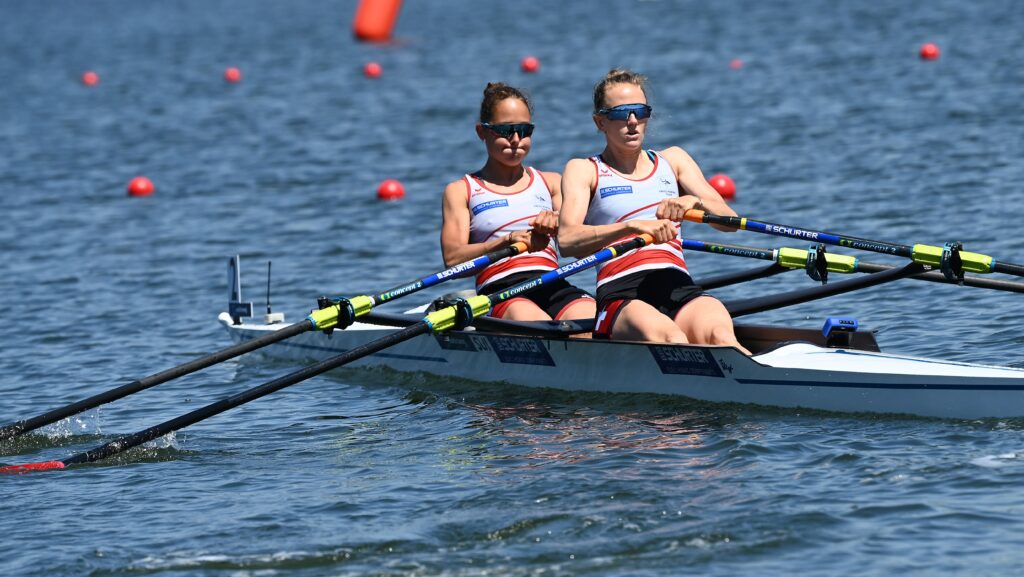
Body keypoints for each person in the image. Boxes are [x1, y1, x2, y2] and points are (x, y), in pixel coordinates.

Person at [558, 69, 750, 353]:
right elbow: (568, 241)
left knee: (722, 338)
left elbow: (730, 222)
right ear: (600, 121)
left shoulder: (674, 160)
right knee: (671, 340)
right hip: (621, 294)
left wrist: (694, 203)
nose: (632, 121)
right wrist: (631, 227)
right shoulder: (584, 170)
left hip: (676, 284)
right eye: (621, 113)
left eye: (640, 111)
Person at [440, 82, 596, 325]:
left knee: (592, 321)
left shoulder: (552, 183)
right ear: (482, 131)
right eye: (505, 131)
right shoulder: (462, 191)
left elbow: (581, 244)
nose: (516, 139)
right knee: (538, 325)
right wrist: (506, 241)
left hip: (552, 282)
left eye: (524, 130)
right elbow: (452, 260)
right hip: (500, 289)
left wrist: (561, 224)